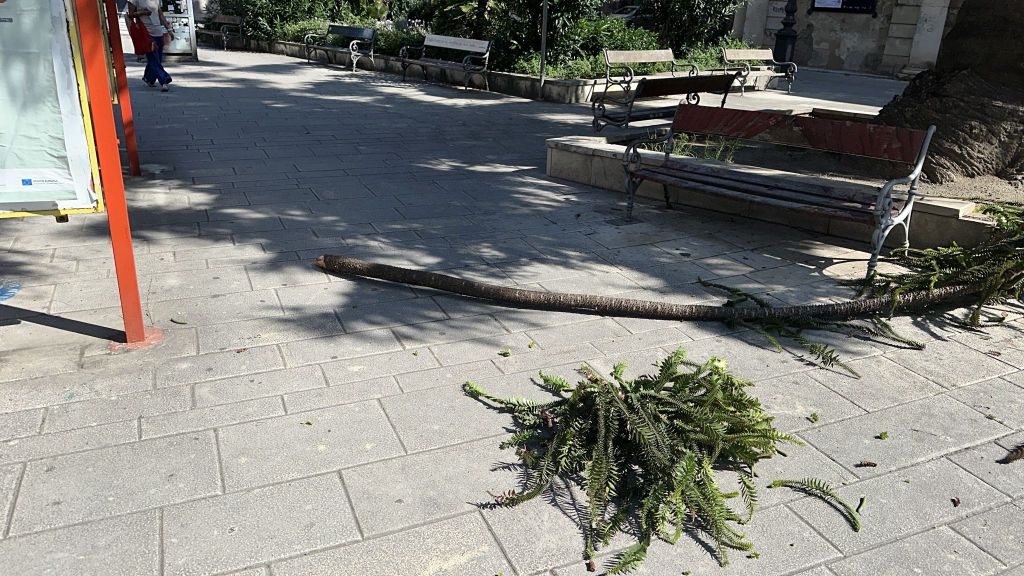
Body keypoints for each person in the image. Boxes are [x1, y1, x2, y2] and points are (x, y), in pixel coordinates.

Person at [128, 1, 174, 91]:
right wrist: (142, 13)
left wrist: (169, 30)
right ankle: (164, 80)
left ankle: (148, 78)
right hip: (146, 32)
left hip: (158, 32)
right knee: (153, 58)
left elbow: (160, 15)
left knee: (157, 59)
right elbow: (130, 14)